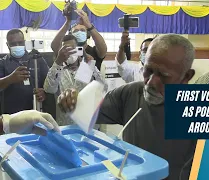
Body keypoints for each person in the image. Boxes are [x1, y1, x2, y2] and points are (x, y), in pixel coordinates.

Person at [58, 34, 197, 180]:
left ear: (186, 77)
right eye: (148, 70)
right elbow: (83, 109)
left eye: (163, 75)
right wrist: (71, 100)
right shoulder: (130, 93)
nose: (150, 82)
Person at [44, 35, 107, 126]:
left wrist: (90, 65)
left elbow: (103, 87)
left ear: (79, 49)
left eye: (73, 48)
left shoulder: (86, 68)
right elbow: (49, 89)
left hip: (88, 124)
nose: (69, 52)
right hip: (66, 125)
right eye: (66, 49)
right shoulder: (58, 70)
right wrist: (58, 62)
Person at [0, 29, 49, 114]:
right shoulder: (3, 63)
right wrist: (10, 79)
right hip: (12, 115)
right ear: (7, 45)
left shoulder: (36, 60)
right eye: (13, 44)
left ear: (25, 42)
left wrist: (44, 92)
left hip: (36, 111)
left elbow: (50, 81)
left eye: (20, 43)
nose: (17, 46)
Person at [51, 3, 107, 70]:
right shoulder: (66, 51)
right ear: (71, 34)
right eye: (76, 31)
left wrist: (89, 25)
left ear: (87, 34)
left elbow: (103, 48)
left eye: (82, 30)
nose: (79, 32)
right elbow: (54, 46)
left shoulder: (94, 51)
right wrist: (68, 22)